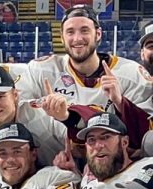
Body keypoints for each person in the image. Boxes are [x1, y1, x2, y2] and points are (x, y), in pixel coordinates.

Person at [16, 5, 153, 110]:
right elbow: (17, 107)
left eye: (84, 30)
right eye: (70, 32)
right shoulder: (40, 69)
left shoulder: (131, 73)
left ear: (98, 34)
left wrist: (121, 103)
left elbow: (146, 129)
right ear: (62, 37)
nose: (77, 39)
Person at [0, 65, 67, 175]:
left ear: (15, 95)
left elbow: (78, 147)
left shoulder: (45, 112)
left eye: (0, 96)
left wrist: (65, 118)